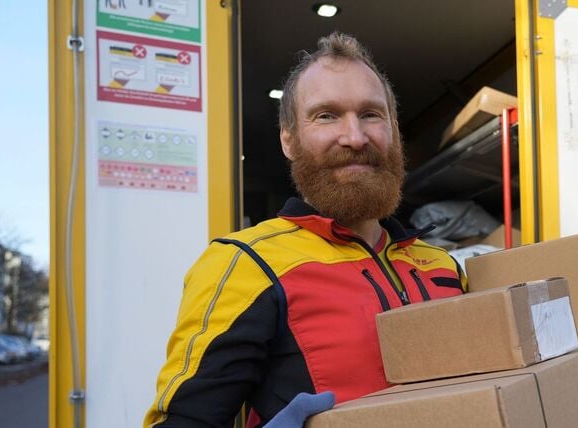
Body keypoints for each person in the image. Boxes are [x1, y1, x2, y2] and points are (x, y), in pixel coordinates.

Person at [144, 32, 468, 427]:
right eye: (326, 115)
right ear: (289, 141)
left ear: (394, 132)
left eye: (371, 114)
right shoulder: (244, 265)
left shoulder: (444, 266)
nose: (354, 137)